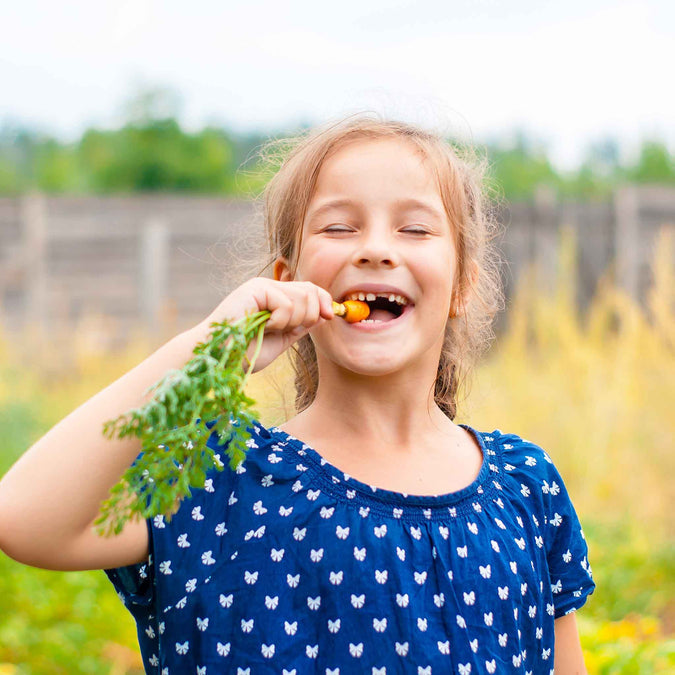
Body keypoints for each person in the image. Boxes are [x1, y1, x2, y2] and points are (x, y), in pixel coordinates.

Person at [0, 115, 595, 674]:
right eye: (339, 227)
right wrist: (209, 349)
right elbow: (23, 517)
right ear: (286, 282)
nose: (376, 249)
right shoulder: (214, 478)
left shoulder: (526, 489)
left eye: (414, 228)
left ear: (461, 283)